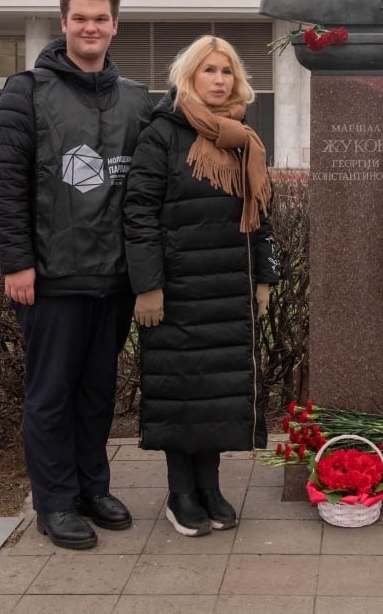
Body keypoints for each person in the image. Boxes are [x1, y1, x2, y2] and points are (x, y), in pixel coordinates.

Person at [0, 0, 152, 550]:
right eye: (80, 17)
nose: (90, 28)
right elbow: (3, 184)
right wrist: (16, 262)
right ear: (64, 23)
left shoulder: (136, 98)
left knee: (97, 393)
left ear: (114, 25)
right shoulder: (26, 91)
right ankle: (54, 500)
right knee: (51, 394)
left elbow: (150, 184)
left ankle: (90, 487)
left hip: (115, 277)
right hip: (51, 278)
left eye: (100, 18)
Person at [123, 35, 279, 537]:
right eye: (208, 70)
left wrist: (264, 276)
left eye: (226, 71)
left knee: (214, 392)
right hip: (178, 290)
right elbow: (139, 213)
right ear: (188, 77)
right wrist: (148, 285)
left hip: (229, 286)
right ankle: (180, 493)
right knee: (181, 391)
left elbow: (261, 215)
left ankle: (209, 488)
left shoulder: (242, 138)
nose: (218, 79)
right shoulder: (161, 134)